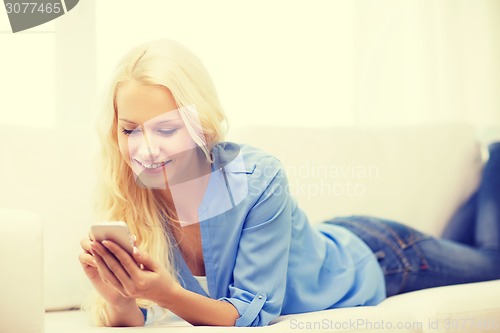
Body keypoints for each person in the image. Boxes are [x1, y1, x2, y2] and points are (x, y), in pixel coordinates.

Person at [78, 39, 500, 327]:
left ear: (200, 127)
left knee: (493, 261)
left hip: (382, 256)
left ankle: (495, 160)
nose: (145, 149)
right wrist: (120, 298)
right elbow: (146, 319)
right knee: (473, 251)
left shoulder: (258, 177)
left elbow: (253, 316)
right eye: (130, 130)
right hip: (328, 238)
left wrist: (167, 293)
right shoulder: (133, 195)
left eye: (165, 130)